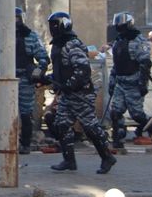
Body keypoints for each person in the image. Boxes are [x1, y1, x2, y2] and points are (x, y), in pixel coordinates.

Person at [46, 11, 117, 175]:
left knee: (90, 127)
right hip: (67, 94)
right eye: (51, 25)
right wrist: (48, 79)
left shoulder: (73, 45)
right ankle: (69, 161)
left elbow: (83, 70)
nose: (52, 28)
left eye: (55, 25)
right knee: (62, 124)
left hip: (81, 94)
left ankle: (107, 157)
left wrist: (70, 84)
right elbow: (60, 70)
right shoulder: (57, 45)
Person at [0, 7, 49, 154]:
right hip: (6, 78)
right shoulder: (4, 37)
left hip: (24, 79)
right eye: (12, 19)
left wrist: (38, 72)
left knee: (25, 113)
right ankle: (5, 140)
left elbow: (43, 57)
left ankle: (25, 143)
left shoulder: (30, 36)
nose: (15, 22)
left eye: (16, 19)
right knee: (5, 111)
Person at [107, 11, 152, 152]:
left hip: (134, 83)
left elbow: (145, 63)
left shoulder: (139, 41)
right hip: (121, 82)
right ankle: (117, 141)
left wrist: (143, 83)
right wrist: (112, 81)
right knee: (115, 112)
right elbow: (116, 64)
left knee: (137, 114)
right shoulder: (118, 42)